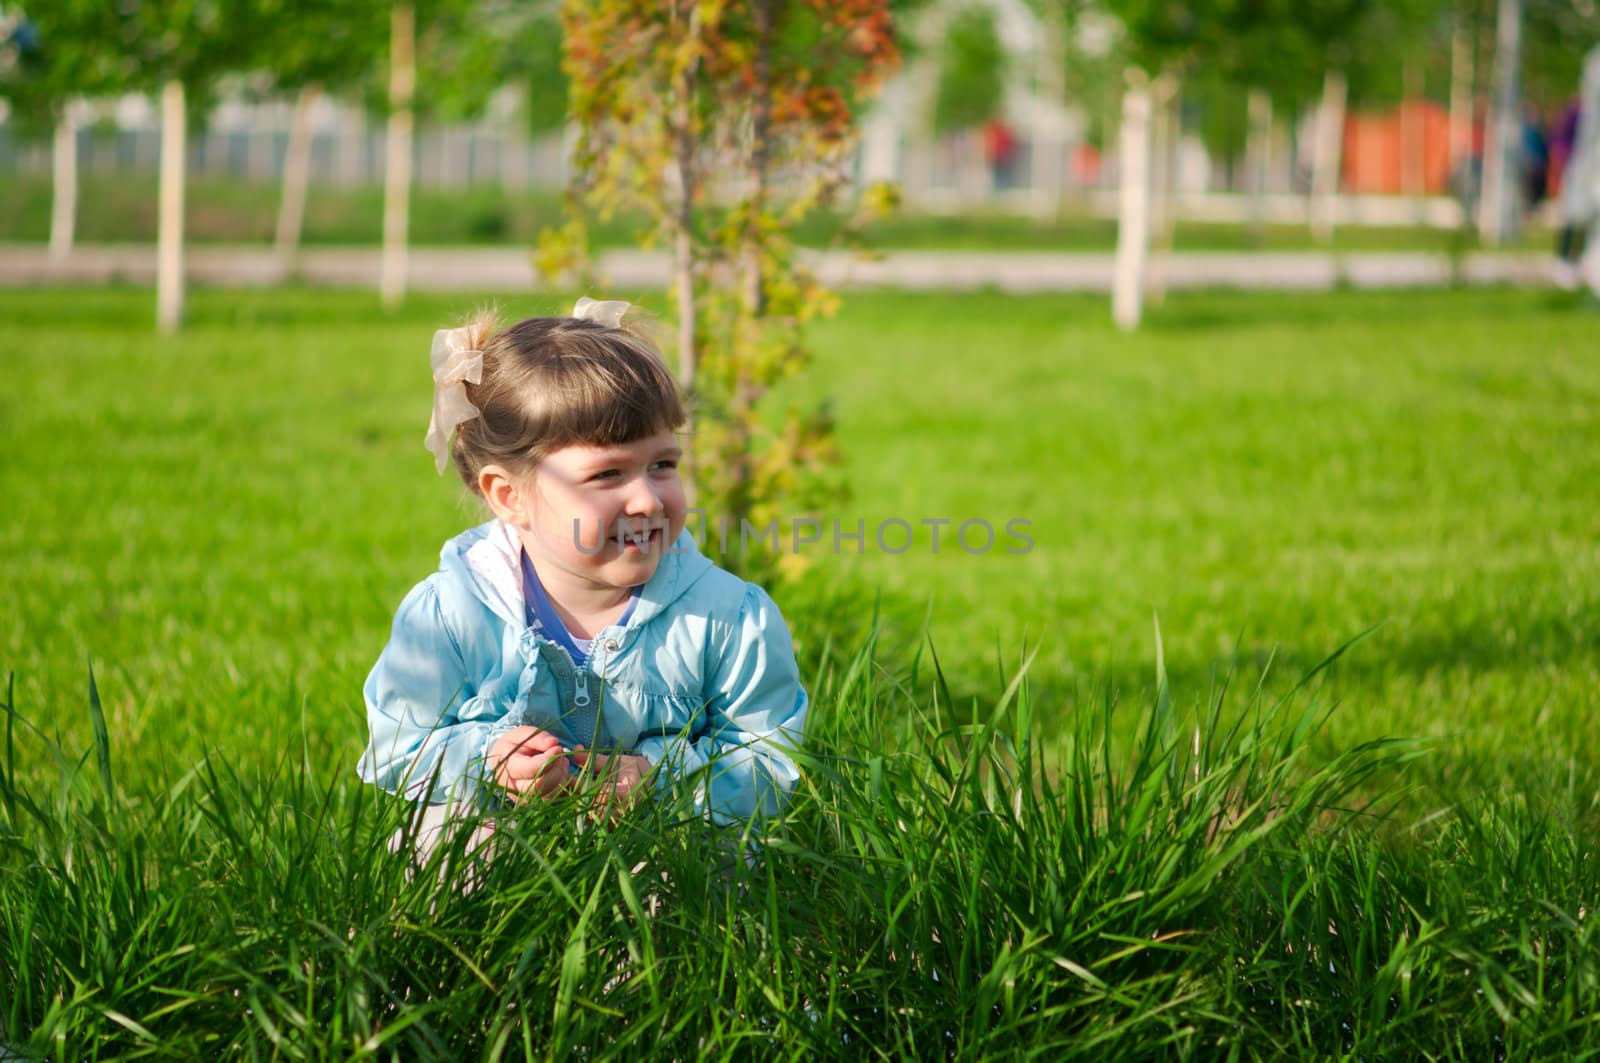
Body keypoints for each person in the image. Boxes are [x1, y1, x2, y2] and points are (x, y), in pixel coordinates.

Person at [359, 297, 808, 854]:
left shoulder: (725, 616)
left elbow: (773, 759)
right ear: (510, 495)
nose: (646, 498)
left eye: (662, 465)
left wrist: (662, 778)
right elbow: (396, 747)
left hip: (662, 844)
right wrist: (488, 758)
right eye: (606, 475)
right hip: (503, 846)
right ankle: (456, 940)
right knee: (442, 844)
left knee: (699, 865)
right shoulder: (452, 612)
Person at [1555, 45, 1600, 294]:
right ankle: (1569, 264)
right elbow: (1564, 137)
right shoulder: (1580, 113)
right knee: (1580, 213)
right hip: (1588, 163)